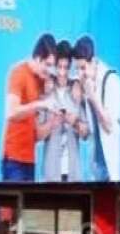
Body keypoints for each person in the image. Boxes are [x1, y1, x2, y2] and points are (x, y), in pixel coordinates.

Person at [2, 34, 57, 182]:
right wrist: (40, 104)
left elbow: (36, 136)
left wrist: (54, 122)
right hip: (13, 159)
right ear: (38, 58)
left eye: (52, 66)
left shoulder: (40, 82)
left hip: (30, 160)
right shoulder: (18, 73)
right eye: (48, 64)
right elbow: (11, 112)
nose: (50, 70)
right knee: (10, 205)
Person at [38, 40, 89, 182]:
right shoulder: (46, 92)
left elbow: (85, 134)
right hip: (51, 173)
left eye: (66, 68)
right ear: (54, 66)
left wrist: (74, 122)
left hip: (73, 173)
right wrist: (53, 123)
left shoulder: (76, 92)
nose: (62, 72)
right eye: (58, 67)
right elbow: (38, 135)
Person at [74, 36, 120, 181]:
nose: (80, 74)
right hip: (97, 165)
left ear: (93, 62)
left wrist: (92, 97)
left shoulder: (111, 80)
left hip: (111, 165)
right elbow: (91, 132)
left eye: (83, 68)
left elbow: (108, 126)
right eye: (77, 69)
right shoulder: (87, 83)